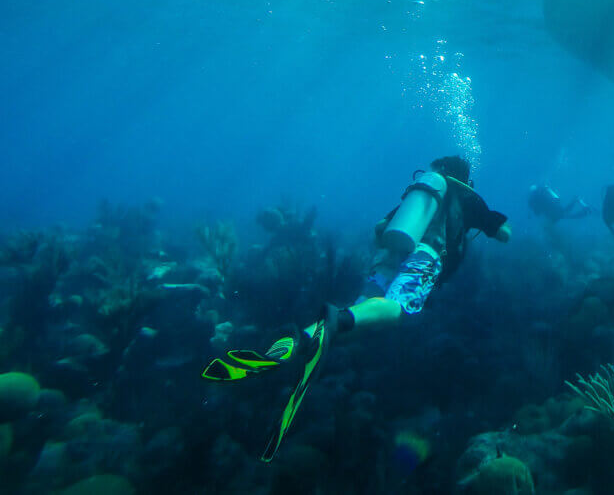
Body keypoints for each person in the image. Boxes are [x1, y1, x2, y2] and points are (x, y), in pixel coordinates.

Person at [202, 155, 511, 460]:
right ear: (463, 179)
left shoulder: (422, 193)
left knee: (362, 309)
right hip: (426, 255)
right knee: (397, 308)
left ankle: (297, 341)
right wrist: (476, 211)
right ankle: (334, 322)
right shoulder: (465, 198)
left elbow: (380, 229)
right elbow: (504, 235)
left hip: (388, 256)